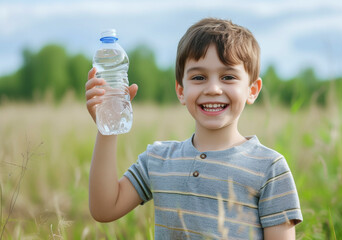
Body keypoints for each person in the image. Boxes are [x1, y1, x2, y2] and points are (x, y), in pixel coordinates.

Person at [85, 18, 302, 239]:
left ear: (252, 90)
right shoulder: (158, 160)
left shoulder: (270, 169)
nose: (213, 89)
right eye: (199, 77)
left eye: (228, 77)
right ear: (181, 90)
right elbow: (105, 208)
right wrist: (107, 125)